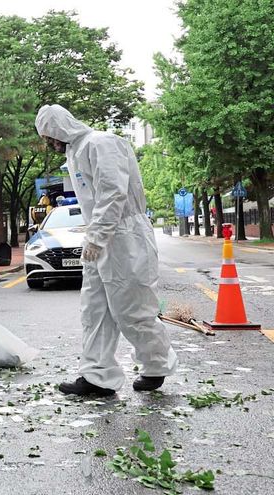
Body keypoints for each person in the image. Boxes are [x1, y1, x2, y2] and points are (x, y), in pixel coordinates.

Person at [35, 104, 178, 396]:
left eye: (50, 137)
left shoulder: (101, 143)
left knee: (133, 308)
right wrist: (94, 235)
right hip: (101, 238)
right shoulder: (76, 151)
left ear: (60, 128)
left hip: (126, 237)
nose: (50, 144)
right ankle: (97, 376)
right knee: (95, 309)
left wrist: (98, 235)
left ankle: (156, 365)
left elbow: (113, 191)